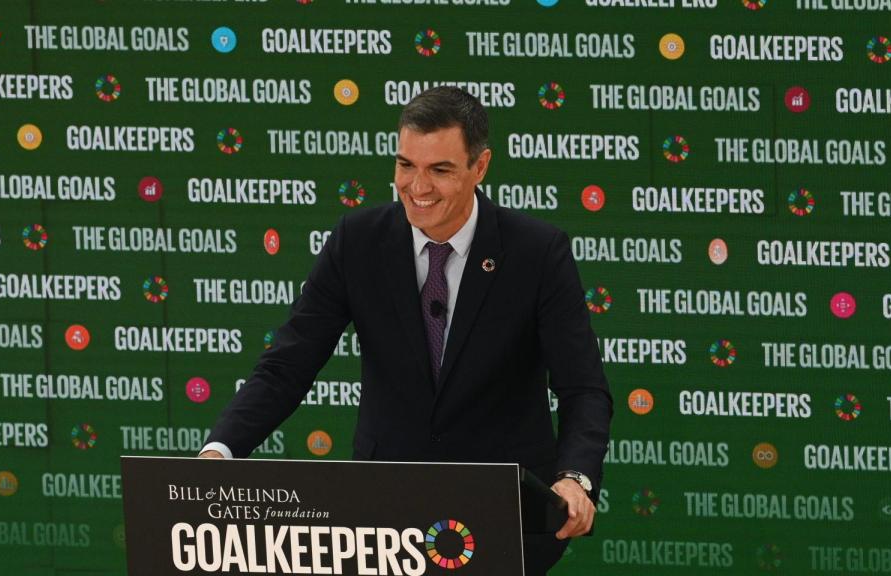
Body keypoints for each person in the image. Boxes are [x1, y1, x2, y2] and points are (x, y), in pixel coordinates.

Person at [200, 86, 613, 575]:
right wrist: (220, 451)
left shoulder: (537, 252)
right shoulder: (357, 241)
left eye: (440, 169)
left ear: (480, 167)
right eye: (405, 165)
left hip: (504, 517)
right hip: (383, 520)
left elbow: (583, 388)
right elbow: (287, 366)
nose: (418, 187)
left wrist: (574, 479)